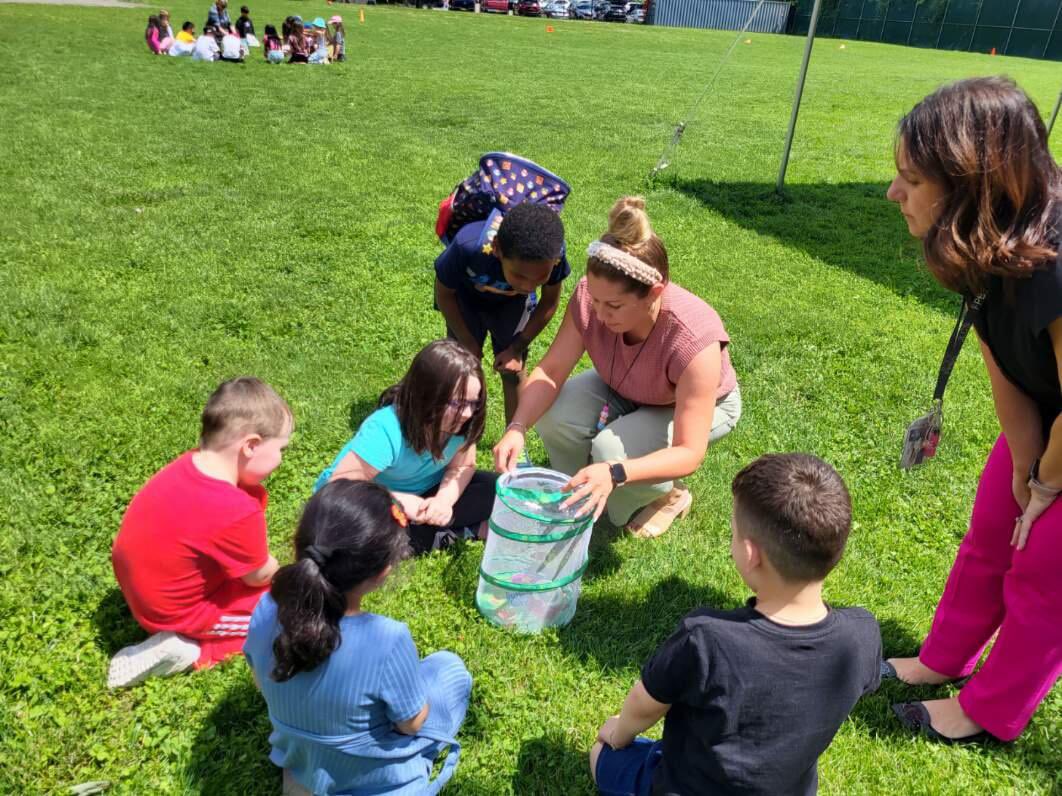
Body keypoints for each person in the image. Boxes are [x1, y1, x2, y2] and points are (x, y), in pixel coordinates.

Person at [882, 77, 1062, 743]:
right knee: (994, 520)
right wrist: (1023, 459)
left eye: (911, 180)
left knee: (1048, 568)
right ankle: (942, 659)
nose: (893, 194)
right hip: (1051, 410)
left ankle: (988, 708)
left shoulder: (1059, 259)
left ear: (969, 185)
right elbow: (998, 350)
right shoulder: (983, 235)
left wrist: (1047, 485)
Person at [590, 454, 881, 795]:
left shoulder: (705, 639)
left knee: (601, 755)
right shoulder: (862, 634)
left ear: (750, 553)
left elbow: (644, 703)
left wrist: (618, 732)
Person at [493, 197, 741, 537]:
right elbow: (551, 370)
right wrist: (517, 426)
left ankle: (667, 495)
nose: (597, 313)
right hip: (626, 382)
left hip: (692, 403)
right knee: (555, 415)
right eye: (593, 299)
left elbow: (689, 450)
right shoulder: (589, 299)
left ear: (654, 293)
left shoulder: (694, 339)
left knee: (611, 451)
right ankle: (577, 494)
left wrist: (614, 472)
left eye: (613, 305)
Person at [244, 480, 472, 795]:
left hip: (299, 754)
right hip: (370, 775)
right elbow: (412, 724)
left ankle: (304, 779)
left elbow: (260, 682)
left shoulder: (265, 607)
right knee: (450, 669)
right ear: (383, 572)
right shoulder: (387, 640)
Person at [108, 378, 292, 688]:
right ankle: (187, 649)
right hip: (173, 612)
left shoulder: (187, 464)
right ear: (251, 445)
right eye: (281, 449)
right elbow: (258, 576)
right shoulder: (236, 509)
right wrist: (281, 569)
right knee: (284, 612)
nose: (282, 459)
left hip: (140, 589)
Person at [316, 340, 497, 554]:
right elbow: (340, 487)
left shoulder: (463, 424)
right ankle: (454, 533)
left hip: (426, 496)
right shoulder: (386, 429)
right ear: (428, 397)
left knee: (497, 489)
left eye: (473, 403)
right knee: (356, 534)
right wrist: (398, 502)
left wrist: (443, 501)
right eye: (457, 403)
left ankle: (431, 537)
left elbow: (462, 467)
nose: (467, 413)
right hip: (364, 499)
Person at [435, 202, 570, 426]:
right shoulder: (468, 245)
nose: (528, 286)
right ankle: (458, 433)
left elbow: (548, 302)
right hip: (466, 302)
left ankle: (515, 435)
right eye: (519, 276)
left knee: (513, 370)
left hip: (512, 306)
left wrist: (516, 349)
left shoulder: (554, 256)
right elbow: (444, 293)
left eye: (539, 279)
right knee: (463, 366)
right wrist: (467, 340)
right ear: (497, 248)